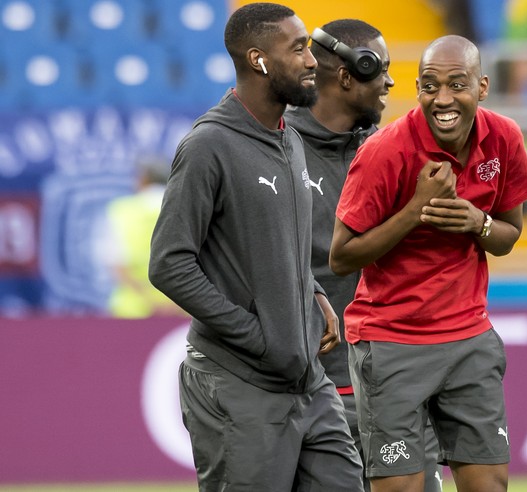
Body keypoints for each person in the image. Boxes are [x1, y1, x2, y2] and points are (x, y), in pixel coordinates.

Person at [148, 3, 363, 490]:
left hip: (310, 383)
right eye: (299, 48)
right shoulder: (209, 145)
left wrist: (313, 294)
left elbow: (276, 242)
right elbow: (168, 263)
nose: (313, 61)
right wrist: (257, 336)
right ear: (258, 60)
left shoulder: (289, 140)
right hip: (239, 385)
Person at [329, 35, 527, 492]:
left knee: (489, 485)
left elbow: (508, 235)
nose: (442, 98)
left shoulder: (504, 137)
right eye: (429, 85)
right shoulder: (386, 150)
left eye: (456, 84)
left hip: (469, 338)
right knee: (402, 488)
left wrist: (477, 222)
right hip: (392, 341)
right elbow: (341, 256)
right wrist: (415, 210)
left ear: (482, 87)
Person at [285, 18, 442, 491]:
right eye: (383, 69)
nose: (394, 83)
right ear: (349, 74)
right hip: (309, 384)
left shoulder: (387, 150)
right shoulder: (273, 148)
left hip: (391, 377)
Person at [104, 156, 181, 318]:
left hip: (133, 311)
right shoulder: (190, 208)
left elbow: (118, 266)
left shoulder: (122, 211)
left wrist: (149, 300)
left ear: (143, 179)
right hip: (183, 309)